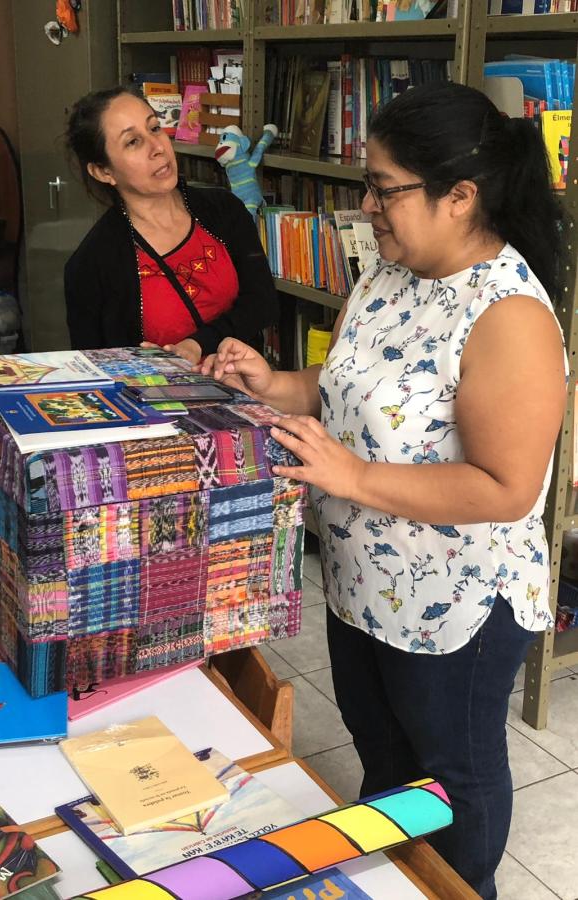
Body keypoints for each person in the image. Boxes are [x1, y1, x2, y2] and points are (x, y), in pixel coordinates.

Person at [202, 81, 567, 899]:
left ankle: (456, 888)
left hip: (455, 603)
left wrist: (354, 476)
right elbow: (344, 388)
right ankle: (393, 877)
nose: (366, 206)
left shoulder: (507, 316)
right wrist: (271, 384)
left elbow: (505, 488)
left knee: (451, 771)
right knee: (384, 753)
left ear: (459, 196)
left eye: (383, 187)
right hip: (363, 579)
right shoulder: (386, 274)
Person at [64, 85, 278, 365]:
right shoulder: (91, 263)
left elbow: (263, 302)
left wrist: (198, 344)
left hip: (246, 385)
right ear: (103, 171)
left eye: (154, 128)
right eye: (133, 142)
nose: (157, 148)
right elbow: (94, 367)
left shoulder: (224, 210)